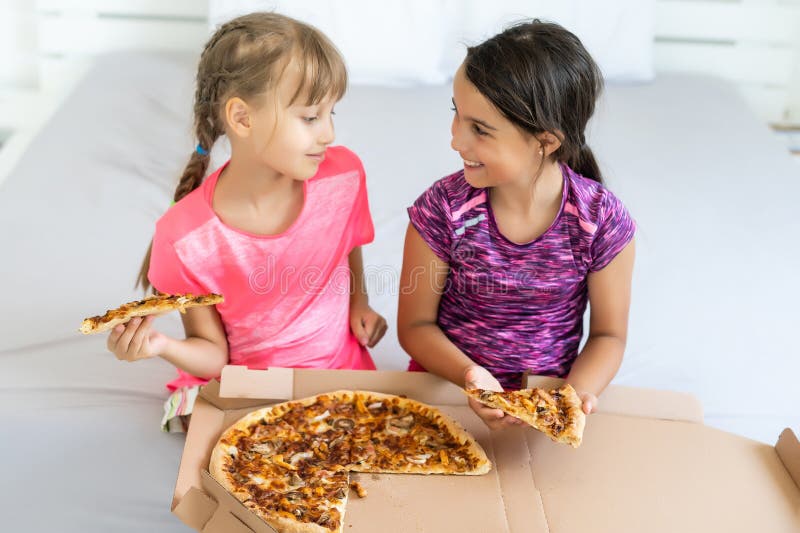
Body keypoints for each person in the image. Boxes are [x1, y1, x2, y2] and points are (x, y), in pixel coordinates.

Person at [106, 12, 387, 430]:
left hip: (338, 377)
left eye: (332, 114)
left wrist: (358, 302)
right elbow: (212, 354)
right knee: (205, 437)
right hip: (244, 392)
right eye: (310, 117)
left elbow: (346, 242)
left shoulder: (343, 177)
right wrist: (159, 344)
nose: (328, 133)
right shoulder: (183, 238)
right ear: (242, 118)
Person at [397, 20, 635, 430]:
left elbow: (608, 337)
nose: (456, 140)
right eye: (457, 115)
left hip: (545, 401)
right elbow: (415, 327)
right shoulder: (442, 211)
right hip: (445, 390)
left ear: (546, 141)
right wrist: (471, 379)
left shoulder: (600, 221)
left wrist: (571, 396)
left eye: (480, 130)